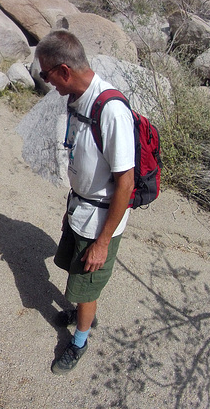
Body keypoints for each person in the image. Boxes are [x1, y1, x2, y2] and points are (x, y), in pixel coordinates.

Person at [35, 30, 135, 375]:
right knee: (77, 275)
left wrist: (103, 242)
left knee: (87, 285)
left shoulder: (111, 111)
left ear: (63, 70)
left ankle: (79, 341)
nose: (48, 83)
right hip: (81, 208)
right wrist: (69, 208)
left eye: (46, 75)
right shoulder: (78, 98)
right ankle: (79, 312)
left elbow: (126, 182)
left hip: (100, 221)